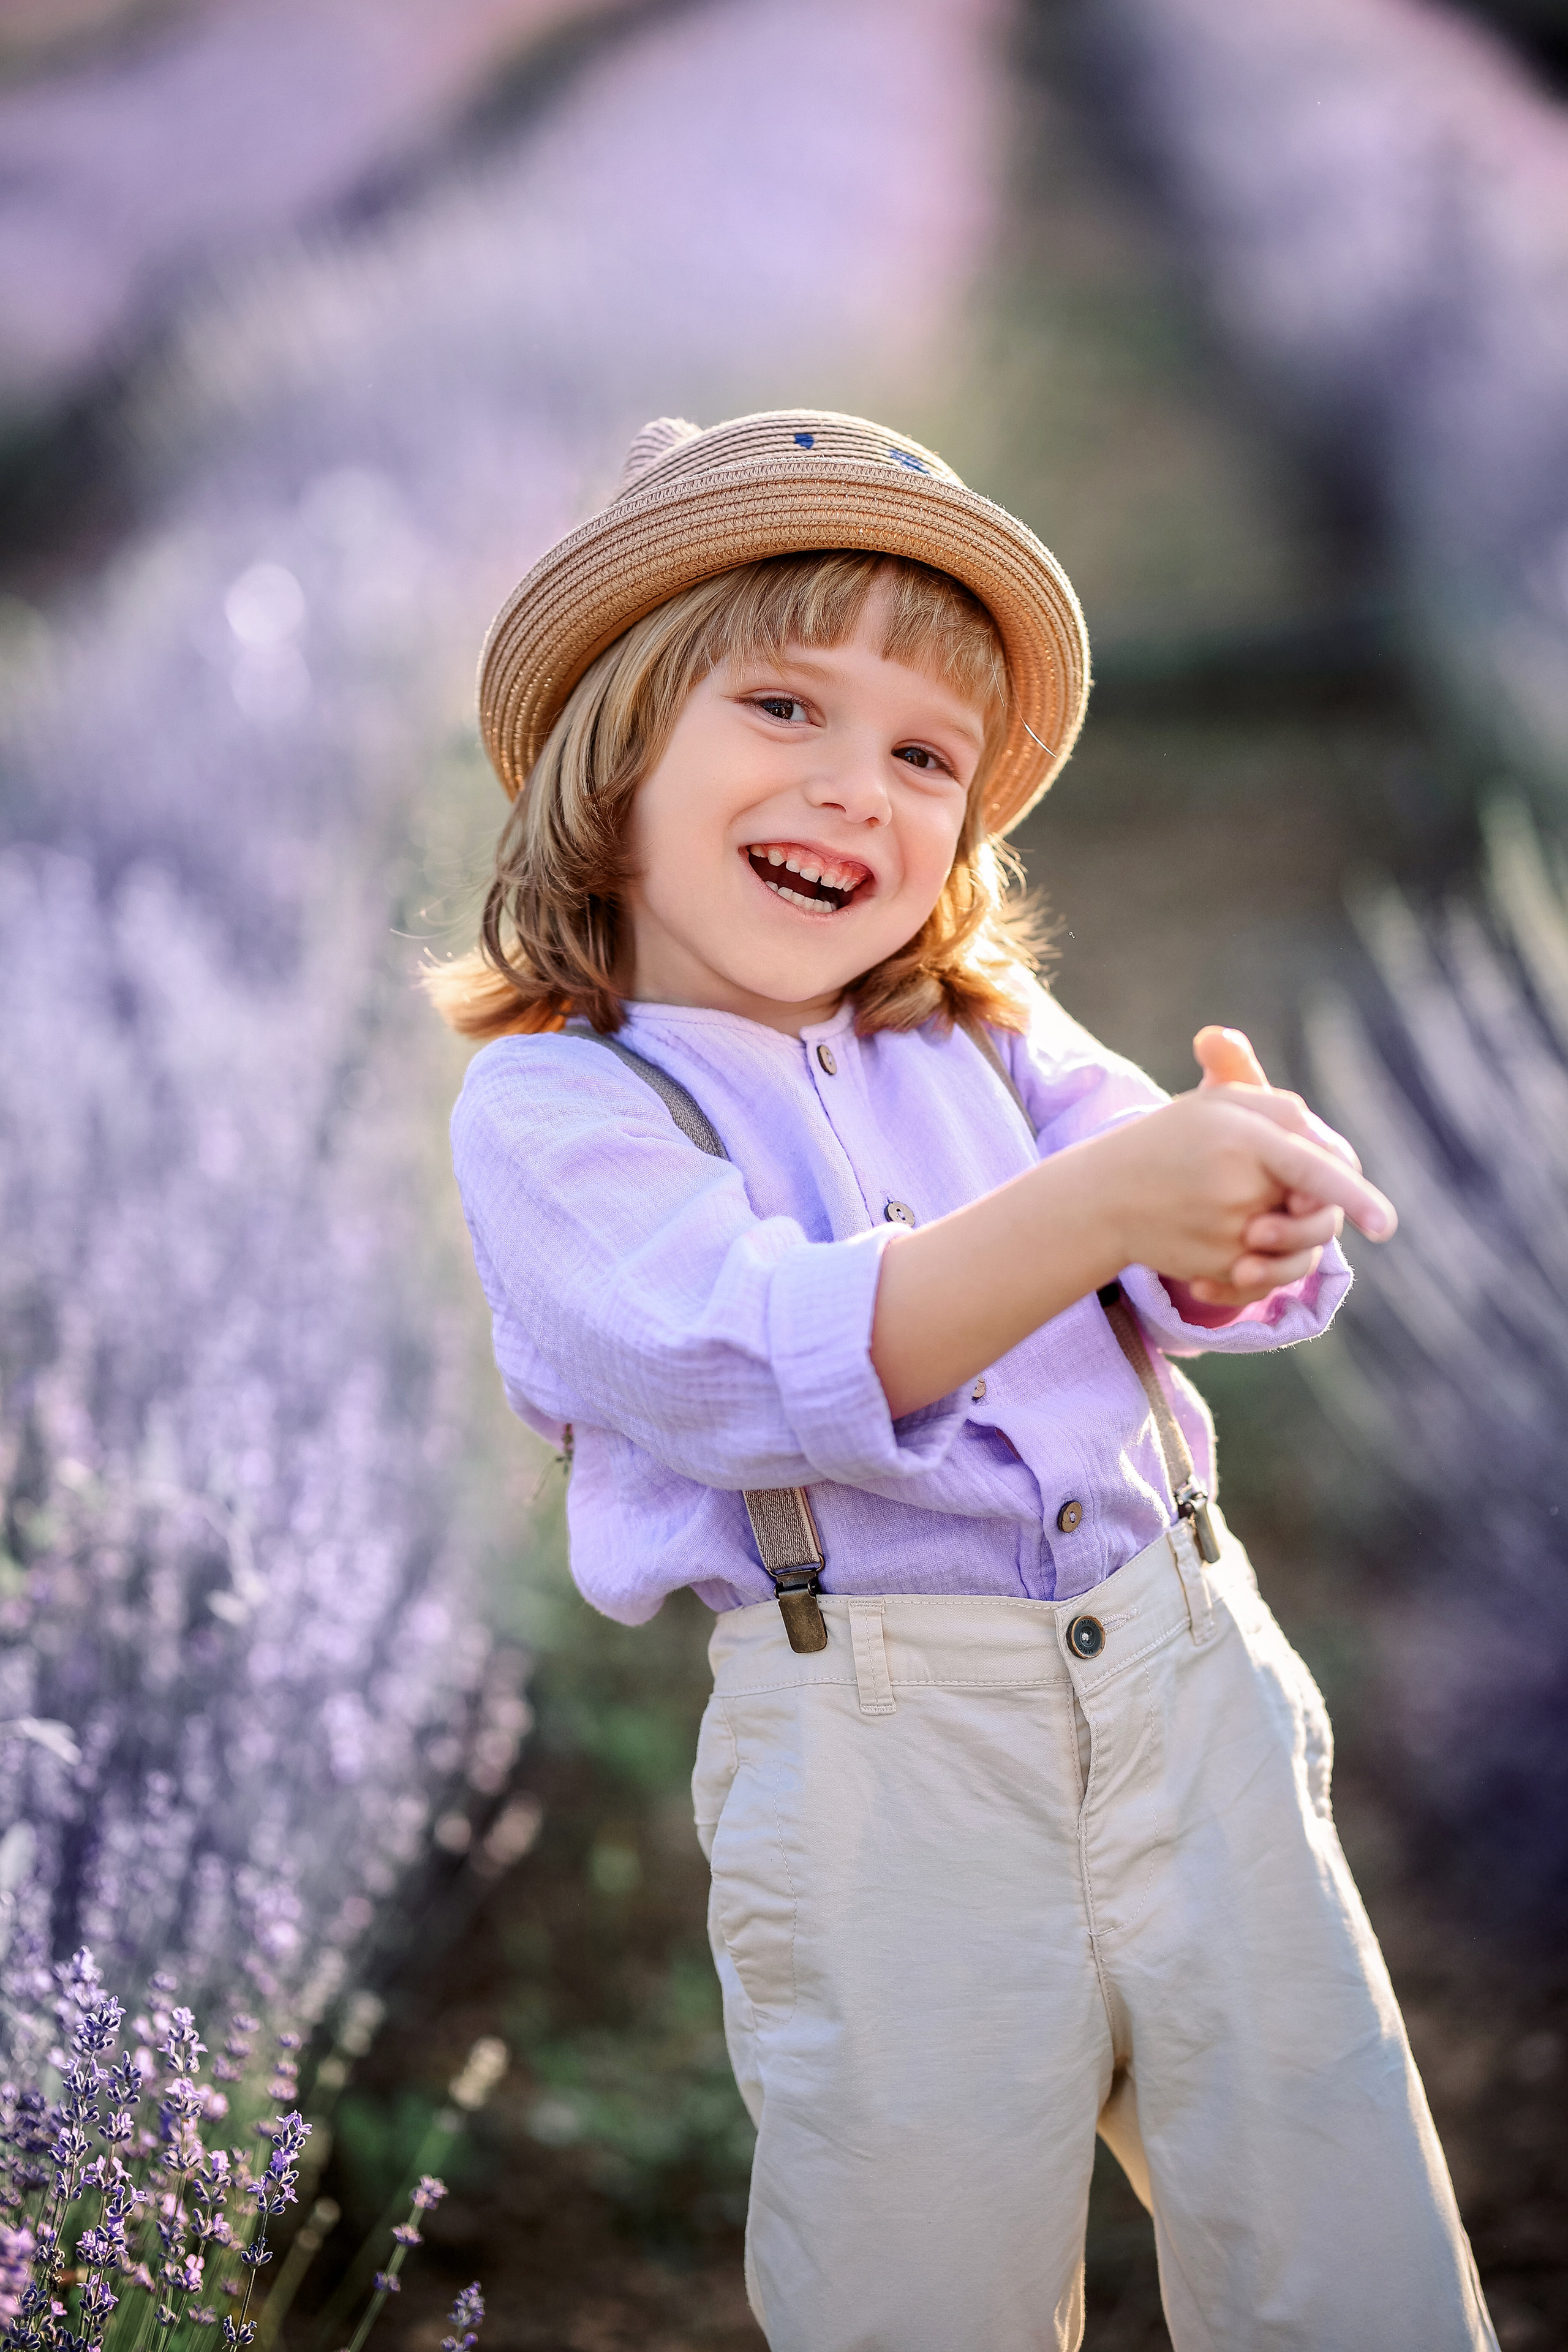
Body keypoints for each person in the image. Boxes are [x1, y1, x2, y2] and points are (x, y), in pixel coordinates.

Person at [431, 410, 1496, 2351]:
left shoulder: (989, 1033)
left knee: (1348, 2260)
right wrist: (1106, 1205)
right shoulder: (565, 1106)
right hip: (885, 1770)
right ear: (615, 749)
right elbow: (756, 1362)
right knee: (926, 2289)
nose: (859, 790)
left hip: (1189, 1689)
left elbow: (1189, 1254)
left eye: (925, 758)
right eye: (786, 710)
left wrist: (1228, 1220)